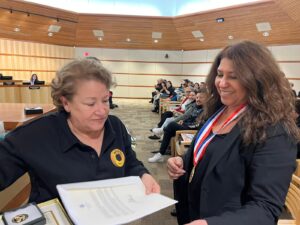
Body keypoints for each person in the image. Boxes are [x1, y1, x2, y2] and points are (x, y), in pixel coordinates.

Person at [167, 41, 299, 225]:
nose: (222, 83)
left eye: (234, 76)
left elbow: (265, 208)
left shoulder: (275, 130)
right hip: (194, 211)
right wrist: (184, 160)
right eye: (220, 74)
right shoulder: (218, 110)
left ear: (257, 79)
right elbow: (210, 151)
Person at [0, 58, 160, 204]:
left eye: (105, 100)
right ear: (66, 102)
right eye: (90, 104)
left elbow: (129, 162)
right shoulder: (35, 135)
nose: (102, 111)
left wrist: (142, 174)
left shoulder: (115, 126)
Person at [148, 91, 206, 163]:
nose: (198, 99)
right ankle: (160, 153)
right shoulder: (194, 105)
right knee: (168, 131)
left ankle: (161, 137)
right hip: (187, 126)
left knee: (171, 125)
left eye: (201, 98)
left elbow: (198, 124)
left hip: (192, 130)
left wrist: (185, 124)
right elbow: (186, 116)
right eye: (197, 97)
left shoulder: (206, 110)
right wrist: (183, 122)